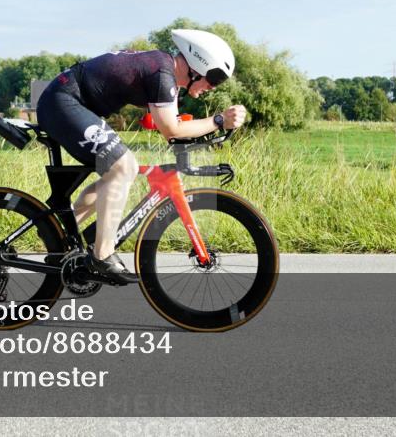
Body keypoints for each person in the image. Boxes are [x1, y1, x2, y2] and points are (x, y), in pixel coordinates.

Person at [36, 29, 246, 283]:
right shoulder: (161, 73)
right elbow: (172, 129)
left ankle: (56, 232)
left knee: (115, 173)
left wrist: (211, 131)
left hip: (68, 103)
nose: (211, 88)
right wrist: (219, 120)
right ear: (198, 66)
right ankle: (102, 255)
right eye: (213, 80)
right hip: (63, 102)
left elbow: (172, 130)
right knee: (123, 168)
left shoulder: (164, 71)